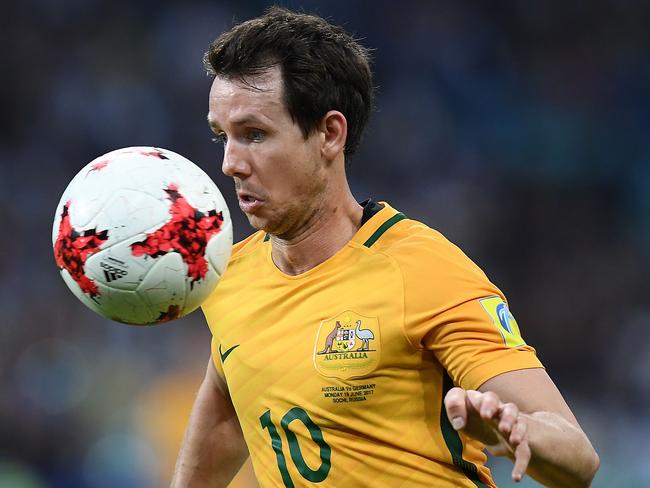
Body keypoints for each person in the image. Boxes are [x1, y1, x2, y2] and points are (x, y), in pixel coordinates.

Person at [171, 7, 599, 488]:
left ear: (329, 134)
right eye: (221, 136)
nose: (230, 163)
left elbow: (577, 457)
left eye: (255, 135)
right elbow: (229, 414)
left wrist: (515, 431)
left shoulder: (422, 270)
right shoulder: (229, 277)